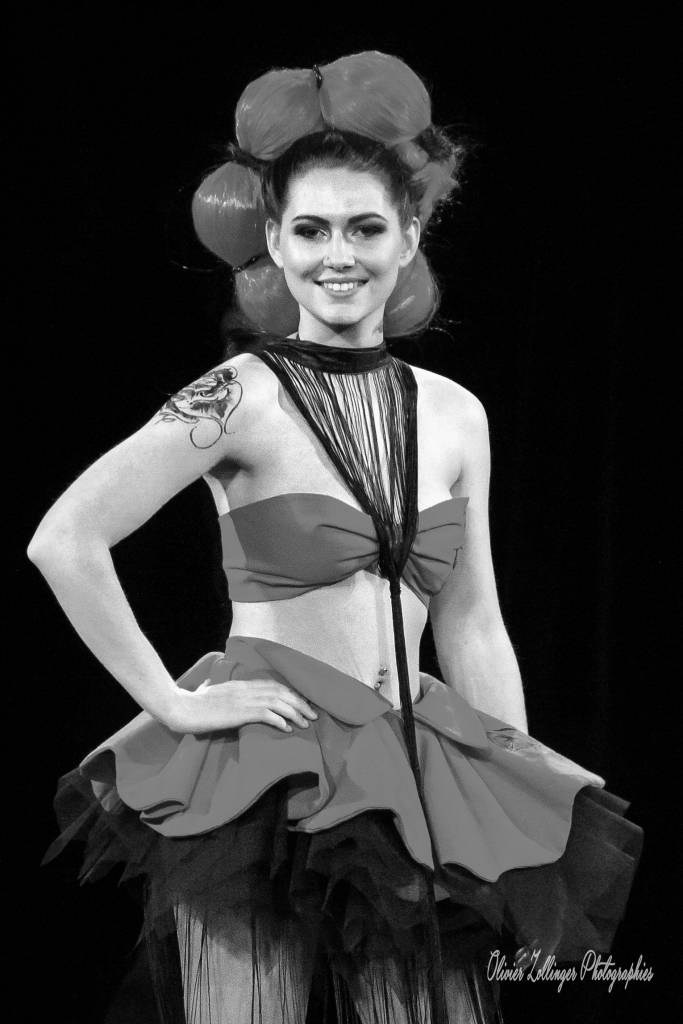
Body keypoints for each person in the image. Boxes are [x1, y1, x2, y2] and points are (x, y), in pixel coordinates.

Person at [30, 52, 642, 1024]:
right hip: (267, 769)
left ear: (410, 235)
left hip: (410, 761)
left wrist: (513, 785)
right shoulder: (236, 396)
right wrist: (170, 703)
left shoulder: (455, 414)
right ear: (271, 241)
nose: (337, 254)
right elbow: (65, 539)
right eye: (310, 229)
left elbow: (472, 621)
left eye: (364, 227)